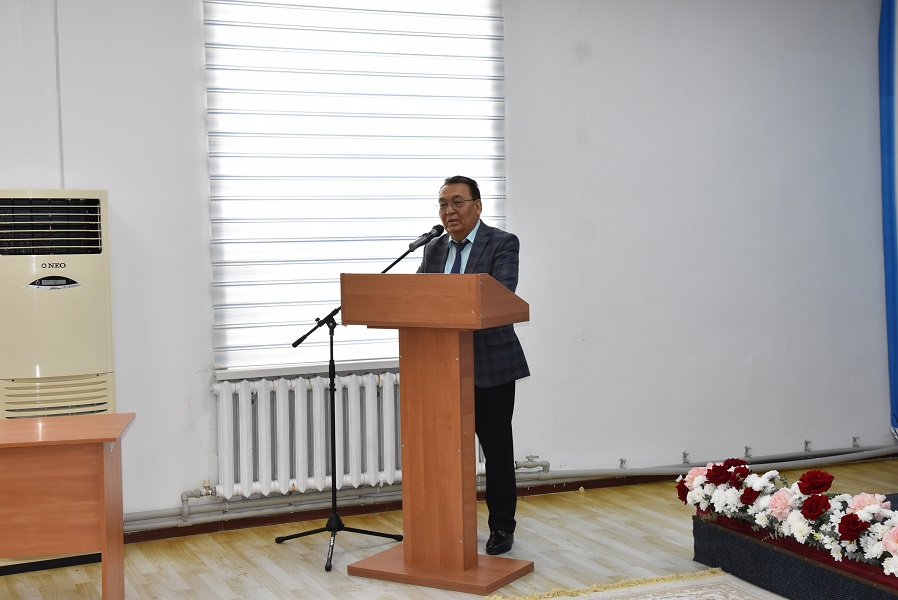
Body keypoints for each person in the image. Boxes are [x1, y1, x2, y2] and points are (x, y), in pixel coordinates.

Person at [417, 175, 530, 556]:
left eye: (457, 202)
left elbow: (501, 293)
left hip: (490, 362)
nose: (449, 211)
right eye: (442, 204)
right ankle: (445, 522)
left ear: (477, 206)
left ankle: (502, 527)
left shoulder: (502, 243)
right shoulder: (433, 248)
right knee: (443, 448)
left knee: (496, 450)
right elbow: (417, 296)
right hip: (441, 365)